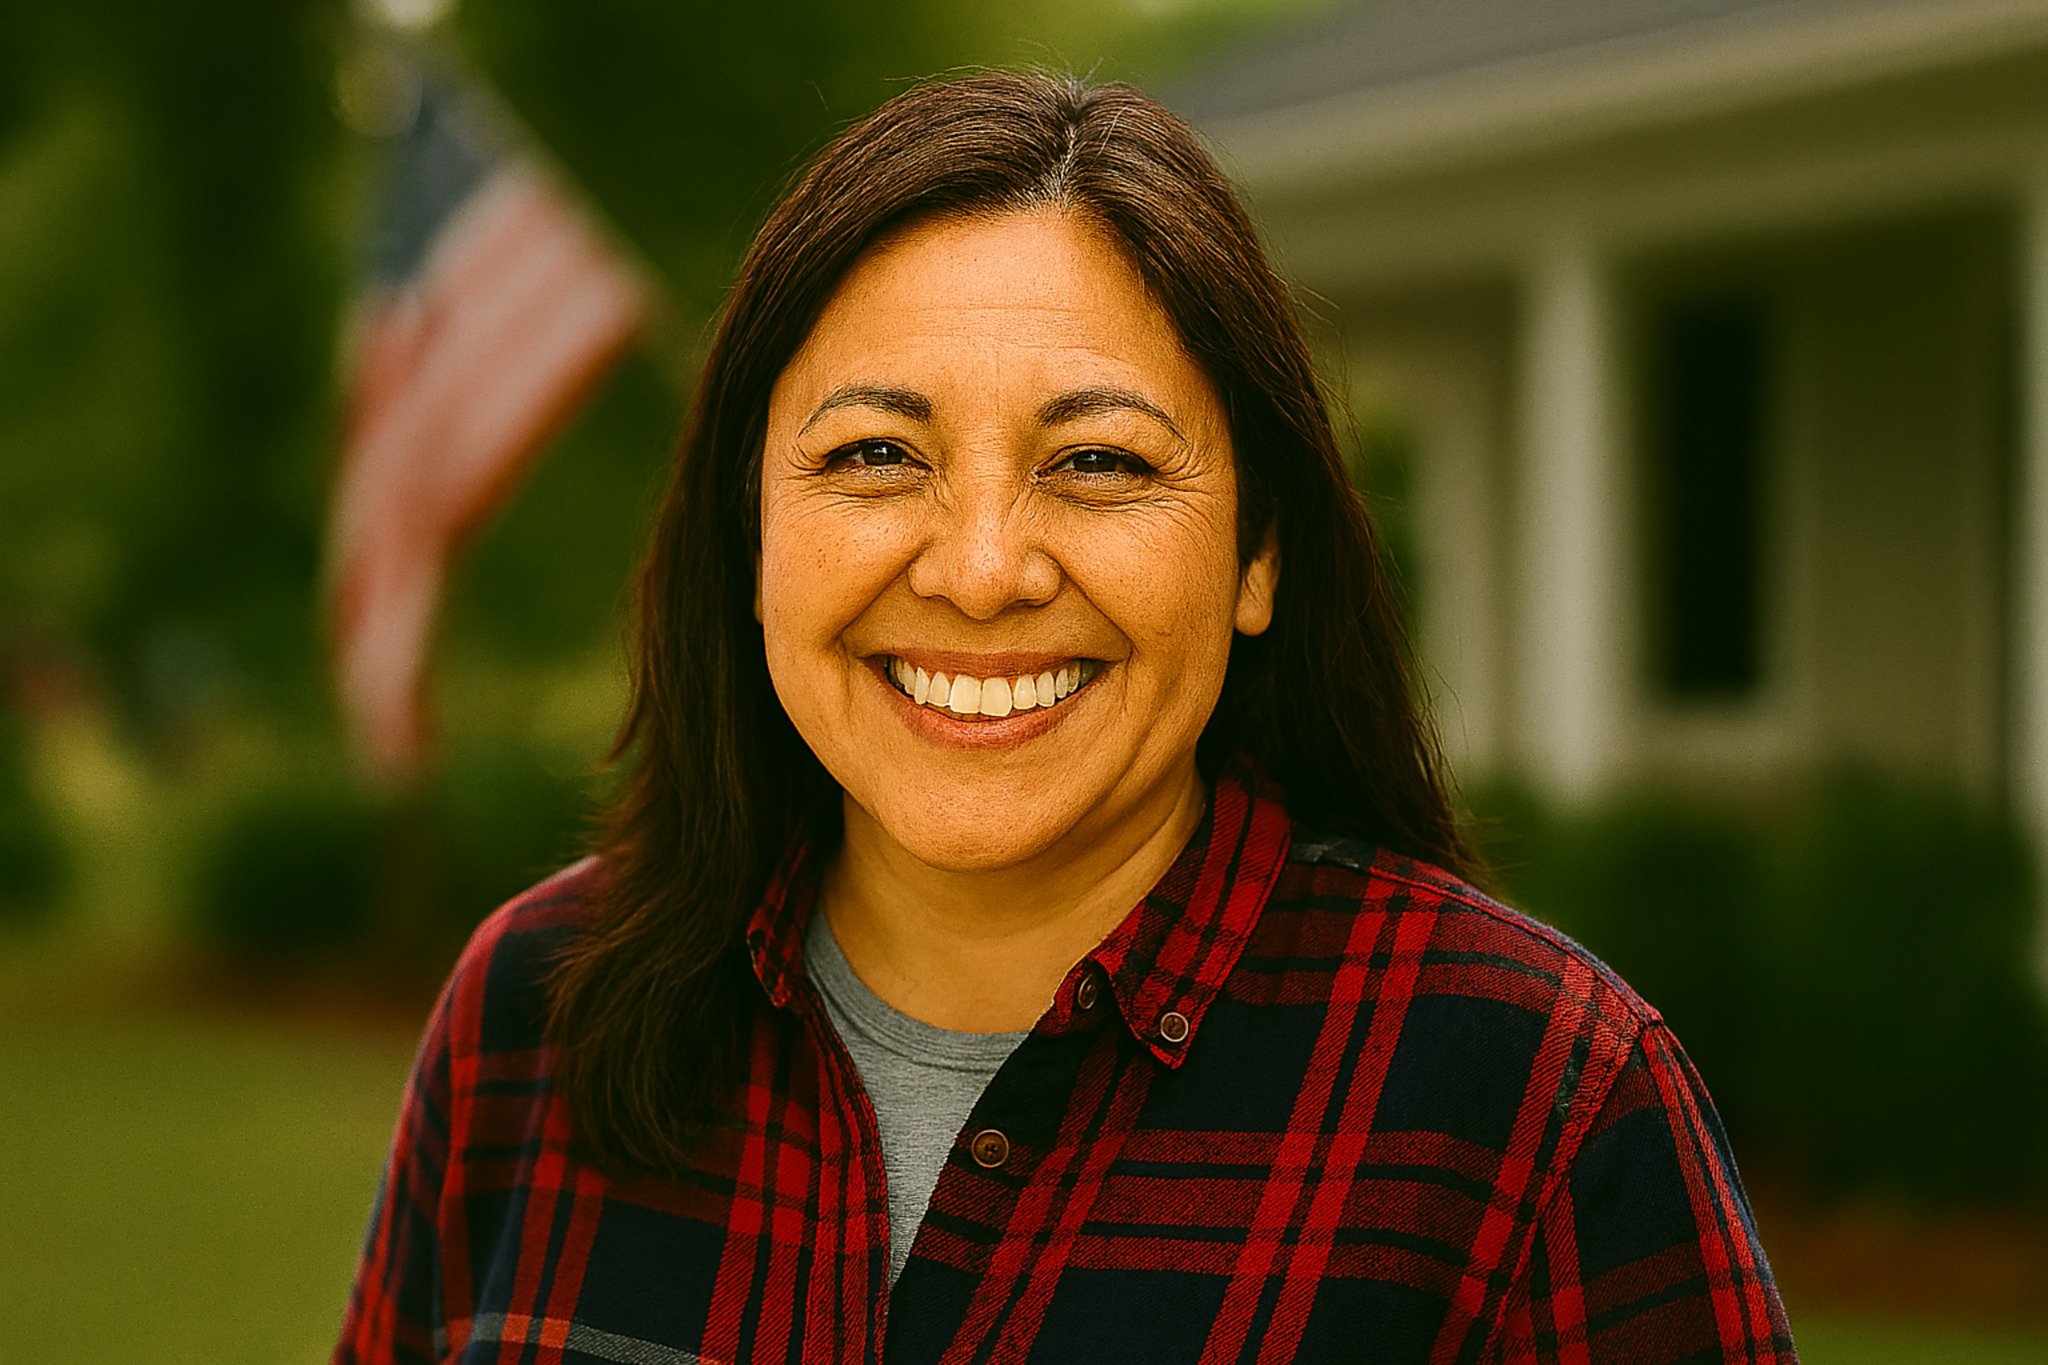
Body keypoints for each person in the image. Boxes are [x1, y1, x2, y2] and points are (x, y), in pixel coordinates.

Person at [336, 71, 1796, 1363]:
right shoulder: (531, 1017)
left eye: (1099, 462)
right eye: (875, 454)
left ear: (1259, 554)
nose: (981, 572)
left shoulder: (1539, 1110)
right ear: (751, 533)